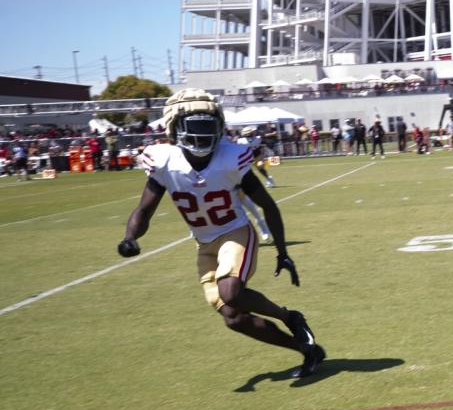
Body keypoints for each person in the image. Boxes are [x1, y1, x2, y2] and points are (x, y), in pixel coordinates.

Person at [117, 89, 325, 378]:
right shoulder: (164, 161)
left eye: (207, 126)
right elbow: (144, 210)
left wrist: (283, 252)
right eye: (195, 127)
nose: (202, 135)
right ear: (175, 128)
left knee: (231, 291)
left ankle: (289, 317)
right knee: (233, 318)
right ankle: (308, 351)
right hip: (204, 244)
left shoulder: (231, 157)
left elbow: (268, 206)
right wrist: (130, 237)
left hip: (235, 232)